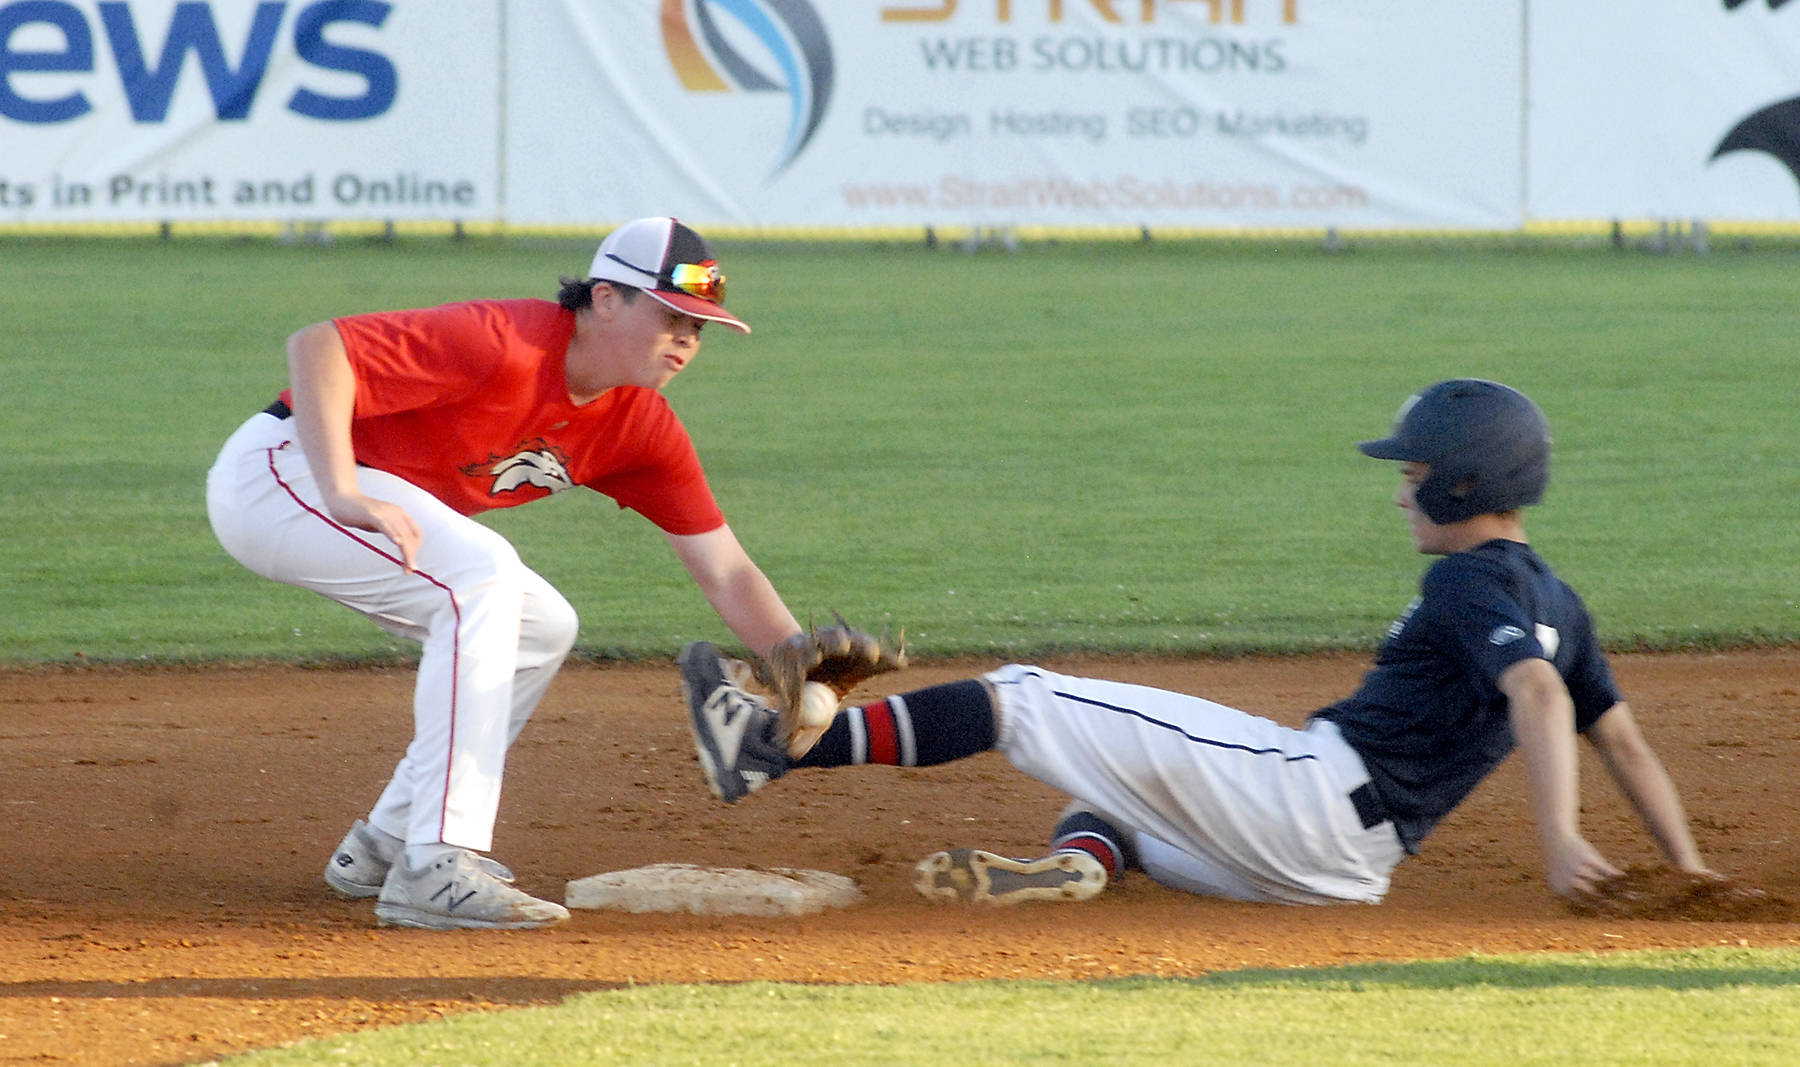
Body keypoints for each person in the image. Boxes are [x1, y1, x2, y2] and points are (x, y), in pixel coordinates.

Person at [679, 379, 1718, 907]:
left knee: (1026, 698)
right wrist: (1688, 869)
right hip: (1345, 872)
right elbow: (1619, 741)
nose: (1399, 486)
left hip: (1305, 794)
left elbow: (1536, 696)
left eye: (1411, 471)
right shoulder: (1561, 599)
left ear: (1462, 482)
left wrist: (1558, 842)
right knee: (1117, 795)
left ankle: (773, 747)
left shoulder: (1466, 578)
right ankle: (1080, 864)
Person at [207, 217, 805, 929]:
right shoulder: (507, 340)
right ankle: (438, 862)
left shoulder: (640, 426)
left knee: (541, 622)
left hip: (359, 493)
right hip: (281, 473)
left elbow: (727, 570)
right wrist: (342, 489)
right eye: (671, 315)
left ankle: (388, 841)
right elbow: (318, 346)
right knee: (484, 574)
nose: (686, 338)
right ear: (605, 299)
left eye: (699, 326)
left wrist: (807, 668)